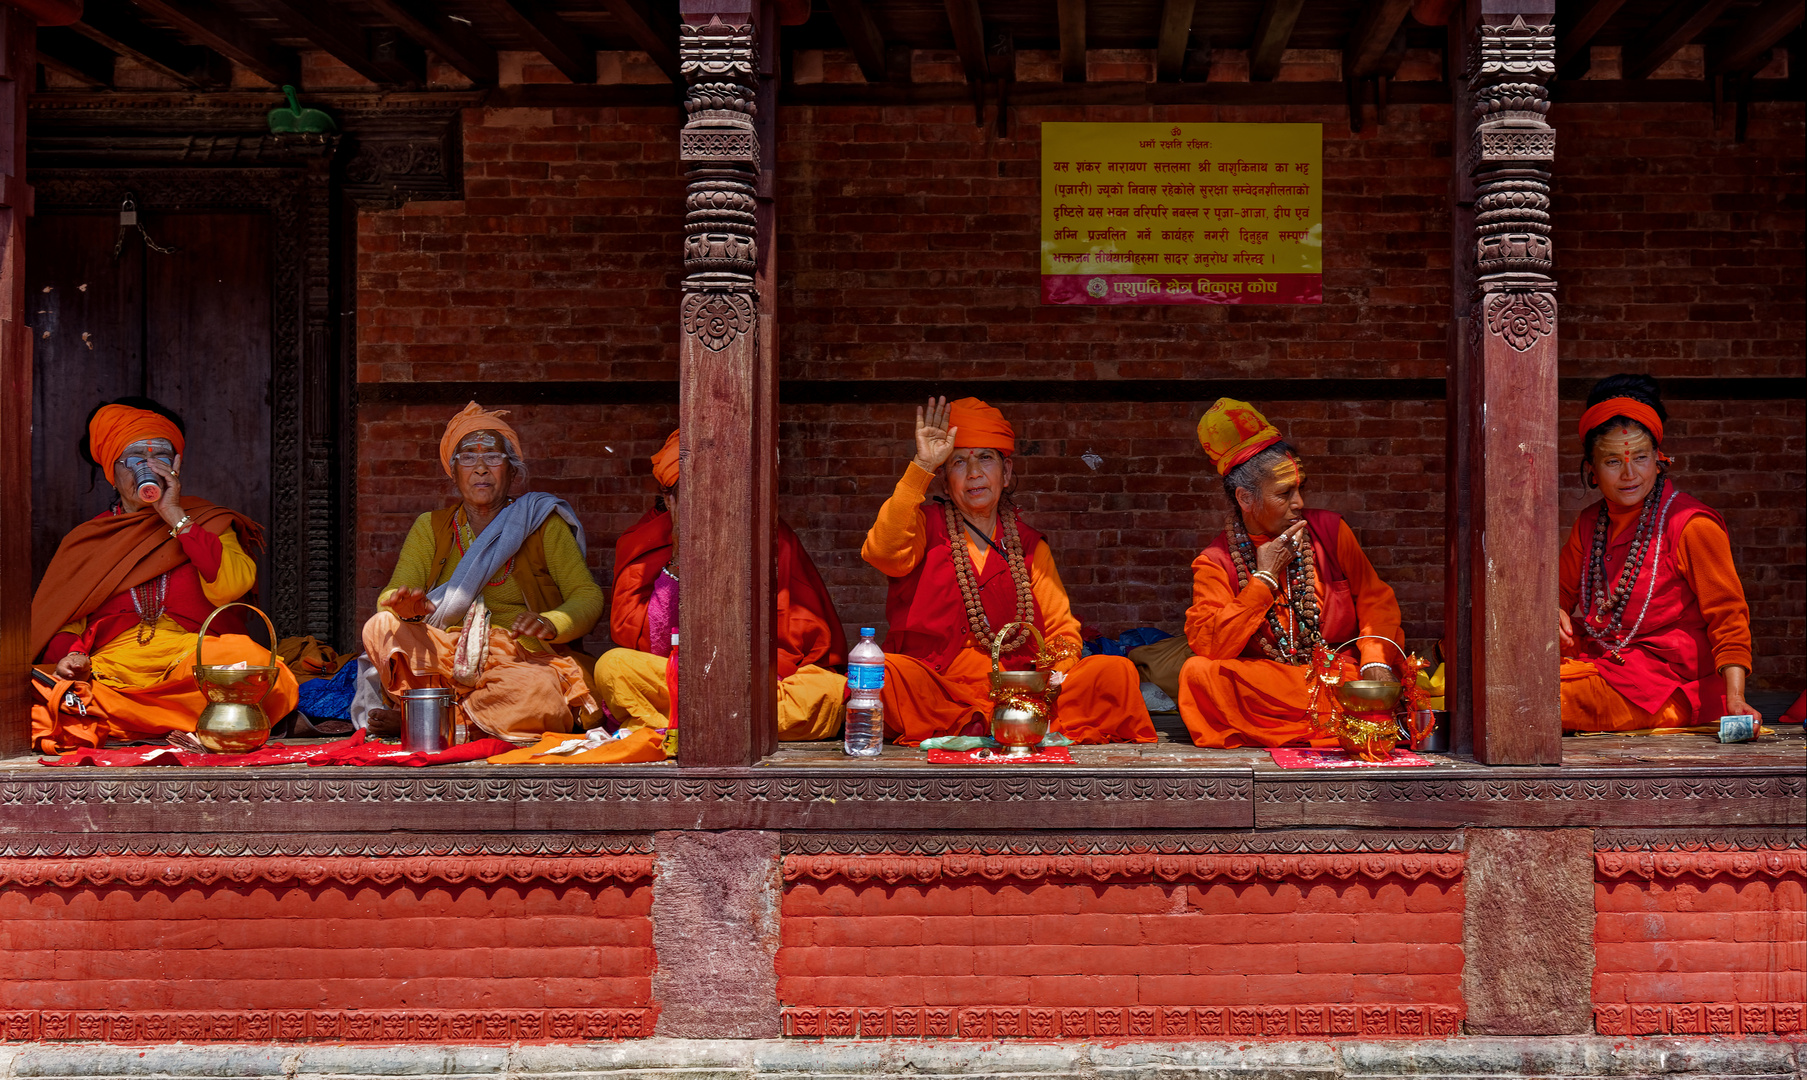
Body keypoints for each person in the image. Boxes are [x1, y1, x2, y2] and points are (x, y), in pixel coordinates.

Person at [861, 397, 1155, 746]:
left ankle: (996, 725)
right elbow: (882, 553)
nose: (973, 473)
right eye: (958, 462)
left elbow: (1062, 630)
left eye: (985, 458)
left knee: (1113, 671)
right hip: (943, 690)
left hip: (1023, 689)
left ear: (1007, 472)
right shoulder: (924, 526)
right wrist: (921, 465)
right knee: (887, 672)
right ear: (943, 479)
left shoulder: (1028, 545)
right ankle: (989, 724)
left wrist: (1052, 676)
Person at [31, 398, 299, 753]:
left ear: (176, 467)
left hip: (193, 659)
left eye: (160, 458)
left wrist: (176, 516)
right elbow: (64, 620)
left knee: (259, 668)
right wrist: (70, 659)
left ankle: (140, 723)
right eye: (135, 460)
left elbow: (232, 587)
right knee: (44, 691)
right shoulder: (87, 539)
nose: (149, 469)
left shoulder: (208, 522)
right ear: (113, 471)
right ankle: (201, 725)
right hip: (114, 669)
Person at [362, 402, 602, 745]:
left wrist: (553, 622)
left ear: (512, 471)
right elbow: (394, 594)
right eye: (468, 458)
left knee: (539, 693)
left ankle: (435, 720)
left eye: (492, 457)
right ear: (453, 471)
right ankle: (459, 716)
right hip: (447, 655)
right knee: (380, 626)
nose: (480, 469)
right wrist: (404, 609)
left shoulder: (541, 523)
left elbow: (587, 595)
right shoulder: (431, 528)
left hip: (523, 661)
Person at [1175, 398, 1404, 748]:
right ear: (1245, 499)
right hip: (1267, 685)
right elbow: (1211, 646)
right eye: (1285, 493)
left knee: (1369, 679)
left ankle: (1320, 724)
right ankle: (1329, 729)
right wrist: (1264, 579)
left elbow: (1377, 600)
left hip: (1334, 678)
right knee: (1198, 675)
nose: (1298, 502)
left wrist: (1376, 661)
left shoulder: (1330, 530)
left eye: (1301, 489)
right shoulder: (1215, 560)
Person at [595, 429, 849, 741]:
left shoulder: (770, 535)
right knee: (613, 666)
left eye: (714, 491)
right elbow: (651, 644)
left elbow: (799, 638)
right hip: (679, 678)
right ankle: (722, 728)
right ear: (668, 498)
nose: (706, 504)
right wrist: (677, 557)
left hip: (755, 683)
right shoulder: (644, 543)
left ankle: (686, 727)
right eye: (692, 495)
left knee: (826, 691)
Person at [1559, 375, 1758, 731]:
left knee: (1529, 698)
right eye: (1613, 462)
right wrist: (1552, 613)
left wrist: (1737, 699)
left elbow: (1728, 616)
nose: (1629, 474)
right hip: (1605, 659)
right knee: (1500, 669)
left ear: (1659, 460)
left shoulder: (1690, 524)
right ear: (1592, 471)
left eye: (1640, 457)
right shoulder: (1590, 523)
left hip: (1665, 686)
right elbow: (1556, 594)